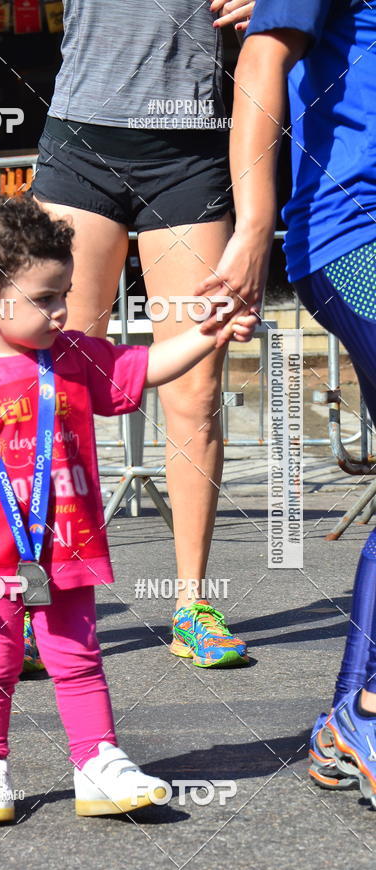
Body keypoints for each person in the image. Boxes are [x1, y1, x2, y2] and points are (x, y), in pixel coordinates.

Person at [0, 0, 257, 668]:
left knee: (196, 390)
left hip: (192, 149)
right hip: (84, 142)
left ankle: (191, 603)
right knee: (44, 384)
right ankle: (30, 595)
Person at [0, 197, 256, 824]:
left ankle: (98, 762)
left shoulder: (74, 355)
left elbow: (146, 366)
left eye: (64, 292)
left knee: (78, 658)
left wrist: (207, 334)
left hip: (67, 546)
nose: (63, 309)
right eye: (45, 298)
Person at [198, 0, 376, 800]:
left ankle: (353, 718)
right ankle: (362, 712)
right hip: (355, 234)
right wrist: (251, 228)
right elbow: (263, 59)